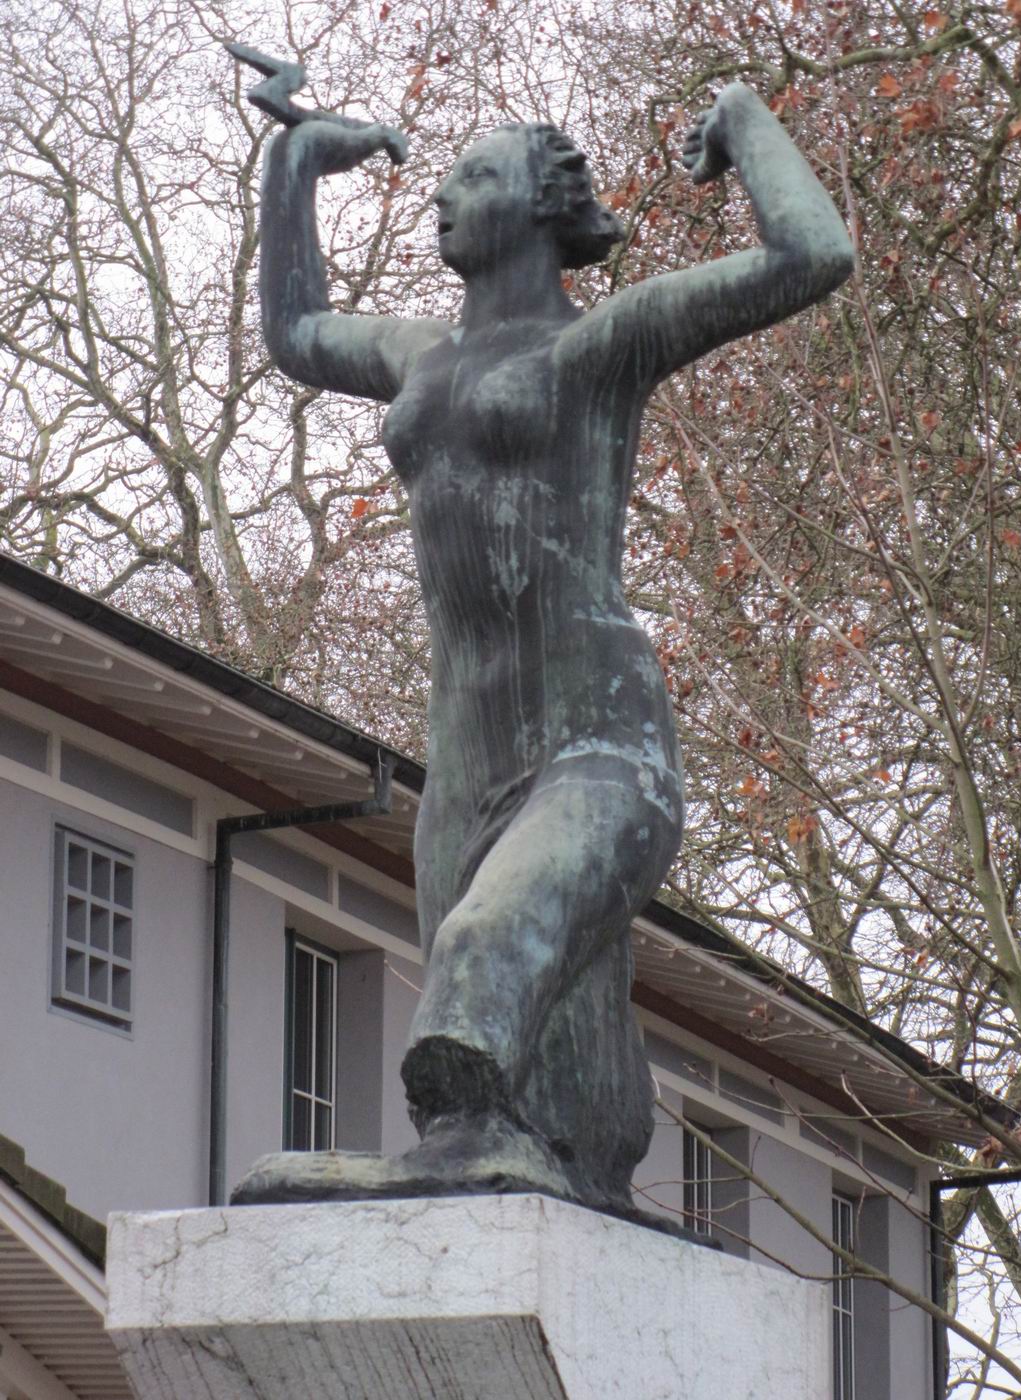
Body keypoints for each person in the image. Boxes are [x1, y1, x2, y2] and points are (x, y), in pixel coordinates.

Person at [233, 83, 854, 1211]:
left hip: (600, 743)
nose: (442, 193)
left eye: (473, 176)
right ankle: (579, 1172)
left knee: (486, 949)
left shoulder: (600, 343)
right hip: (468, 757)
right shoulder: (417, 354)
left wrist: (743, 121)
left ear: (541, 203)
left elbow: (813, 254)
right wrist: (297, 163)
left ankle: (456, 1150)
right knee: (555, 1064)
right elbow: (295, 330)